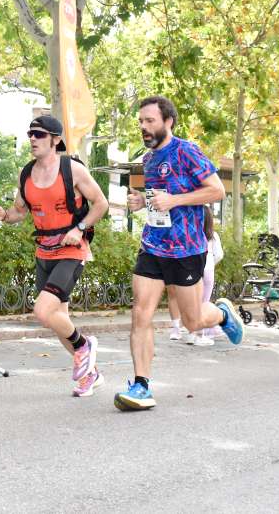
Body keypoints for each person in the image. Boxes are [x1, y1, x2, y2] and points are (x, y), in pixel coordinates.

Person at [116, 96, 243, 411]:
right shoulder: (148, 160)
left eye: (150, 121)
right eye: (141, 122)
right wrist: (141, 203)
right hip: (154, 244)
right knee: (140, 313)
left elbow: (216, 190)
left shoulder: (187, 151)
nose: (144, 127)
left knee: (193, 321)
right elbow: (158, 200)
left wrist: (174, 200)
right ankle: (141, 385)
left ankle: (223, 313)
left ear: (167, 121)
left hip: (186, 249)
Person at [0, 115, 109, 397]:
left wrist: (79, 229)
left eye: (39, 135)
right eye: (30, 134)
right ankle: (91, 374)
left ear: (55, 140)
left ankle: (83, 347)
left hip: (71, 248)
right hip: (44, 251)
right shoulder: (26, 173)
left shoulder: (73, 170)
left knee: (43, 311)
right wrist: (4, 215)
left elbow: (101, 204)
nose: (32, 139)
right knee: (58, 321)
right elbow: (19, 211)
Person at [186, 207, 224, 346]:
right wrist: (211, 263)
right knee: (204, 303)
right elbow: (219, 254)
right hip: (207, 270)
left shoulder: (191, 234)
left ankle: (191, 334)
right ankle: (200, 335)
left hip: (192, 271)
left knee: (193, 303)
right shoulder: (213, 236)